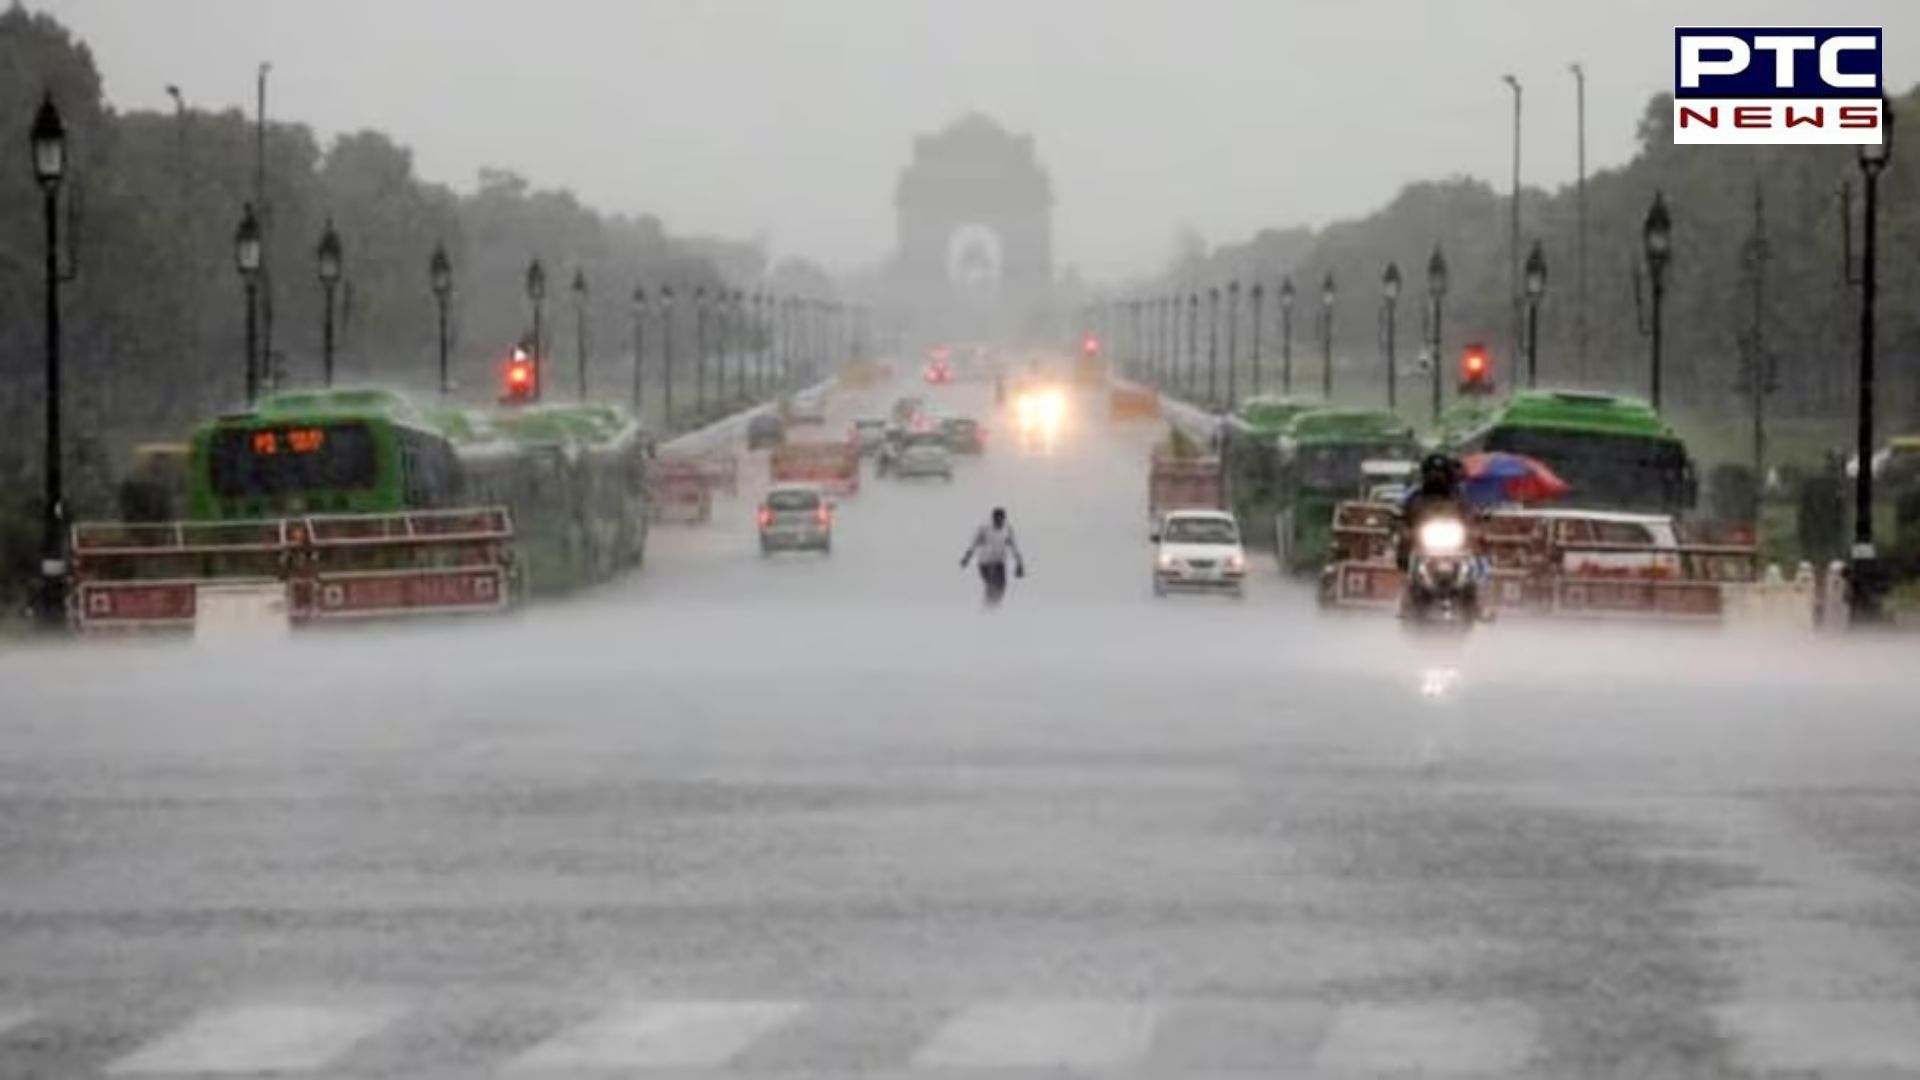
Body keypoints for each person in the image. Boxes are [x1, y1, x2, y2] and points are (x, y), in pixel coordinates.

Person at [960, 507, 1026, 602]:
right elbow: (973, 544)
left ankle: (991, 608)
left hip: (1000, 563)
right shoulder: (984, 528)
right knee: (992, 585)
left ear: (1004, 519)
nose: (999, 522)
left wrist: (1020, 564)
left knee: (1002, 586)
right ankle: (989, 609)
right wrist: (966, 558)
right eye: (996, 520)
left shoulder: (1008, 529)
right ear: (993, 518)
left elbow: (1014, 547)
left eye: (1001, 520)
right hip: (985, 563)